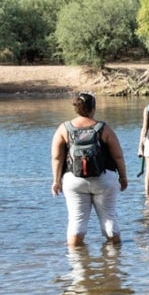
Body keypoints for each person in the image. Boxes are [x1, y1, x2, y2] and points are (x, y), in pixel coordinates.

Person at [51, 92, 128, 247]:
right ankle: (113, 262)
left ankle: (77, 263)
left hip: (74, 180)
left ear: (76, 109)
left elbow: (57, 158)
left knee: (76, 221)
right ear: (93, 108)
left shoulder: (64, 128)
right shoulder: (103, 128)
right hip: (104, 179)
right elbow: (118, 156)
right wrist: (123, 177)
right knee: (109, 217)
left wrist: (56, 181)